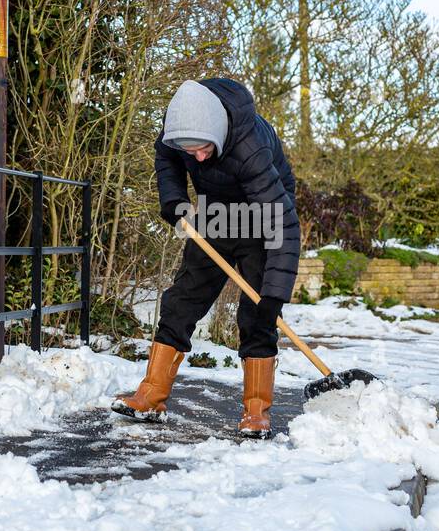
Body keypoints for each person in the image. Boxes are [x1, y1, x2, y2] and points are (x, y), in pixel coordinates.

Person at [113, 78, 300, 436]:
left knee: (256, 313)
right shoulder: (178, 130)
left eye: (204, 149)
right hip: (215, 215)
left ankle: (256, 411)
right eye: (191, 151)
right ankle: (151, 394)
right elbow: (166, 157)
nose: (198, 158)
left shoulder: (250, 148)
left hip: (263, 217)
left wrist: (275, 292)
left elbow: (284, 223)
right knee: (181, 301)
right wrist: (172, 197)